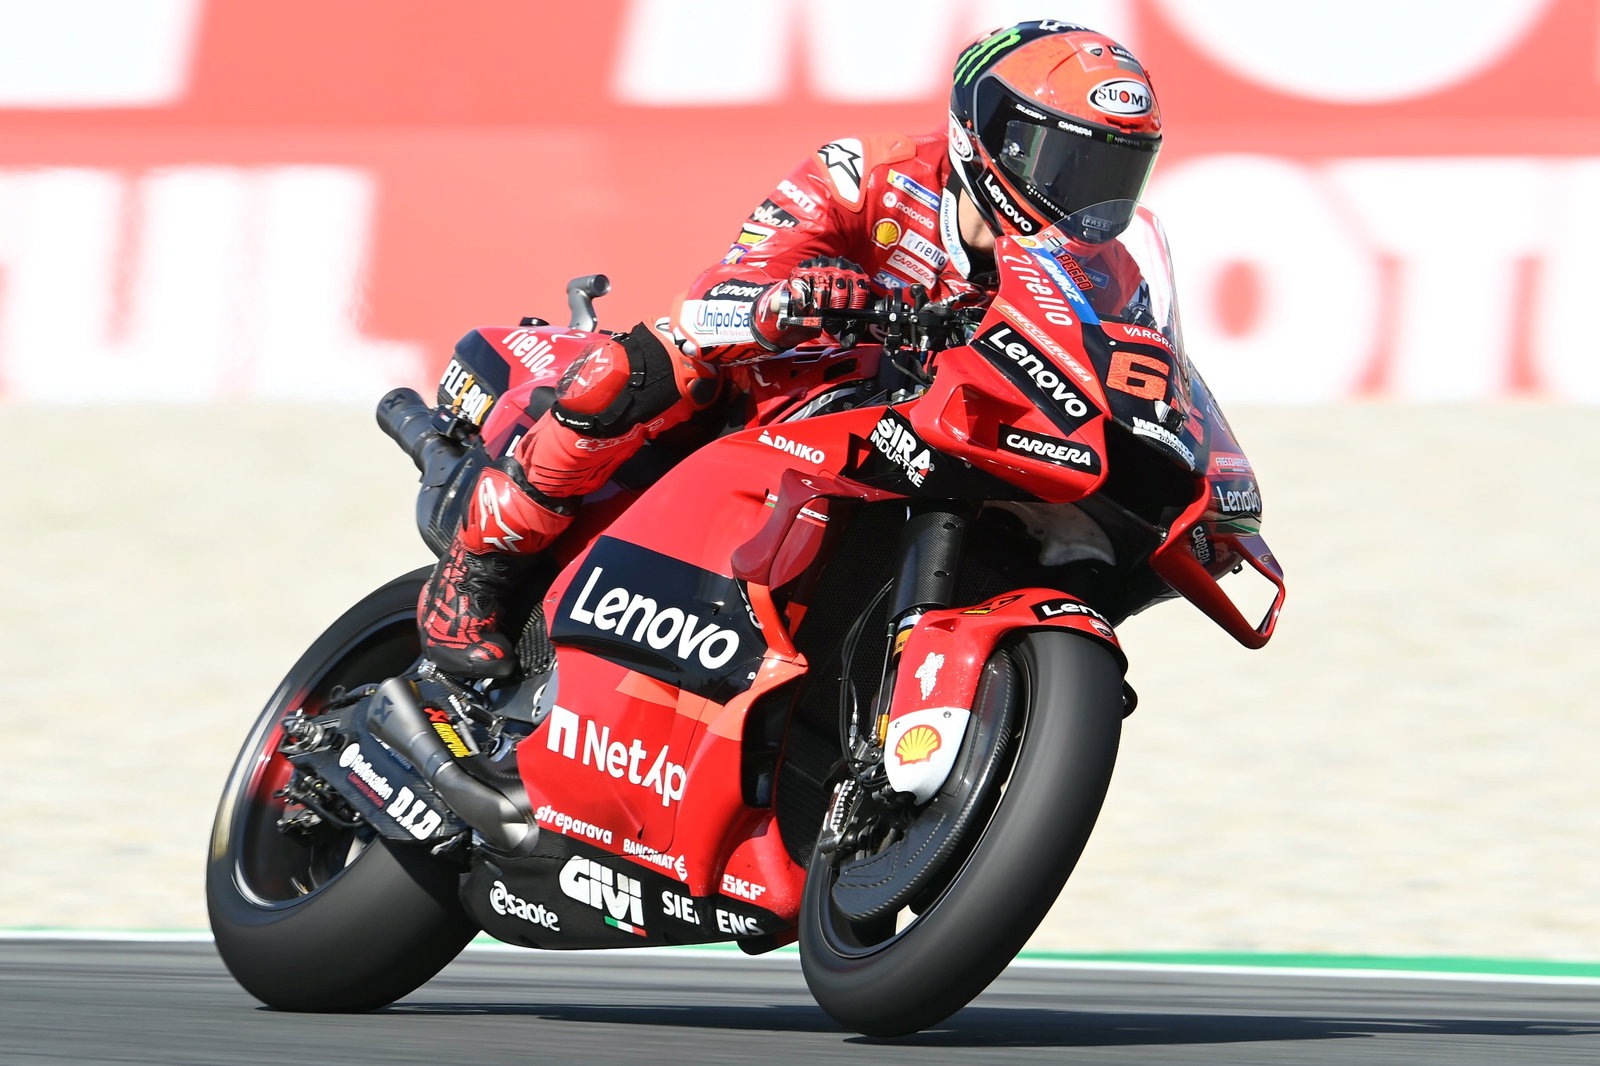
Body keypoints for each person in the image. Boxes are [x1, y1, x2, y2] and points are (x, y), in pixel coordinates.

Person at [419, 19, 1165, 679]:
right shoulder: (869, 173)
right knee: (651, 359)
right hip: (784, 391)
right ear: (992, 129)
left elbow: (1129, 376)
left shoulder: (1108, 272)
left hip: (939, 431)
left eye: (1111, 177)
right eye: (1067, 165)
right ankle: (476, 568)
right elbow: (727, 287)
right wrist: (796, 299)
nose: (1085, 199)